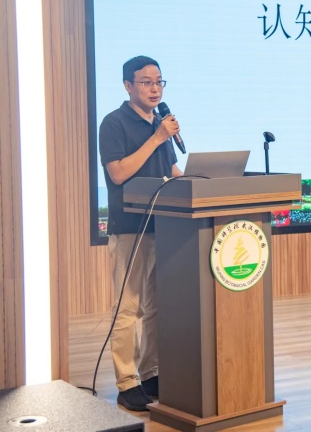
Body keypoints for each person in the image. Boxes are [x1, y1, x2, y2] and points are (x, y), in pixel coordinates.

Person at [98, 55, 183, 411]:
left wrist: (203, 184)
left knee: (156, 306)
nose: (154, 88)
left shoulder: (161, 125)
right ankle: (127, 381)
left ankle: (150, 373)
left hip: (164, 227)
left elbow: (173, 172)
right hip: (131, 229)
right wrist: (158, 137)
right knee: (128, 308)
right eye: (146, 82)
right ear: (128, 86)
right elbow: (118, 173)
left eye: (159, 81)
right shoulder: (113, 123)